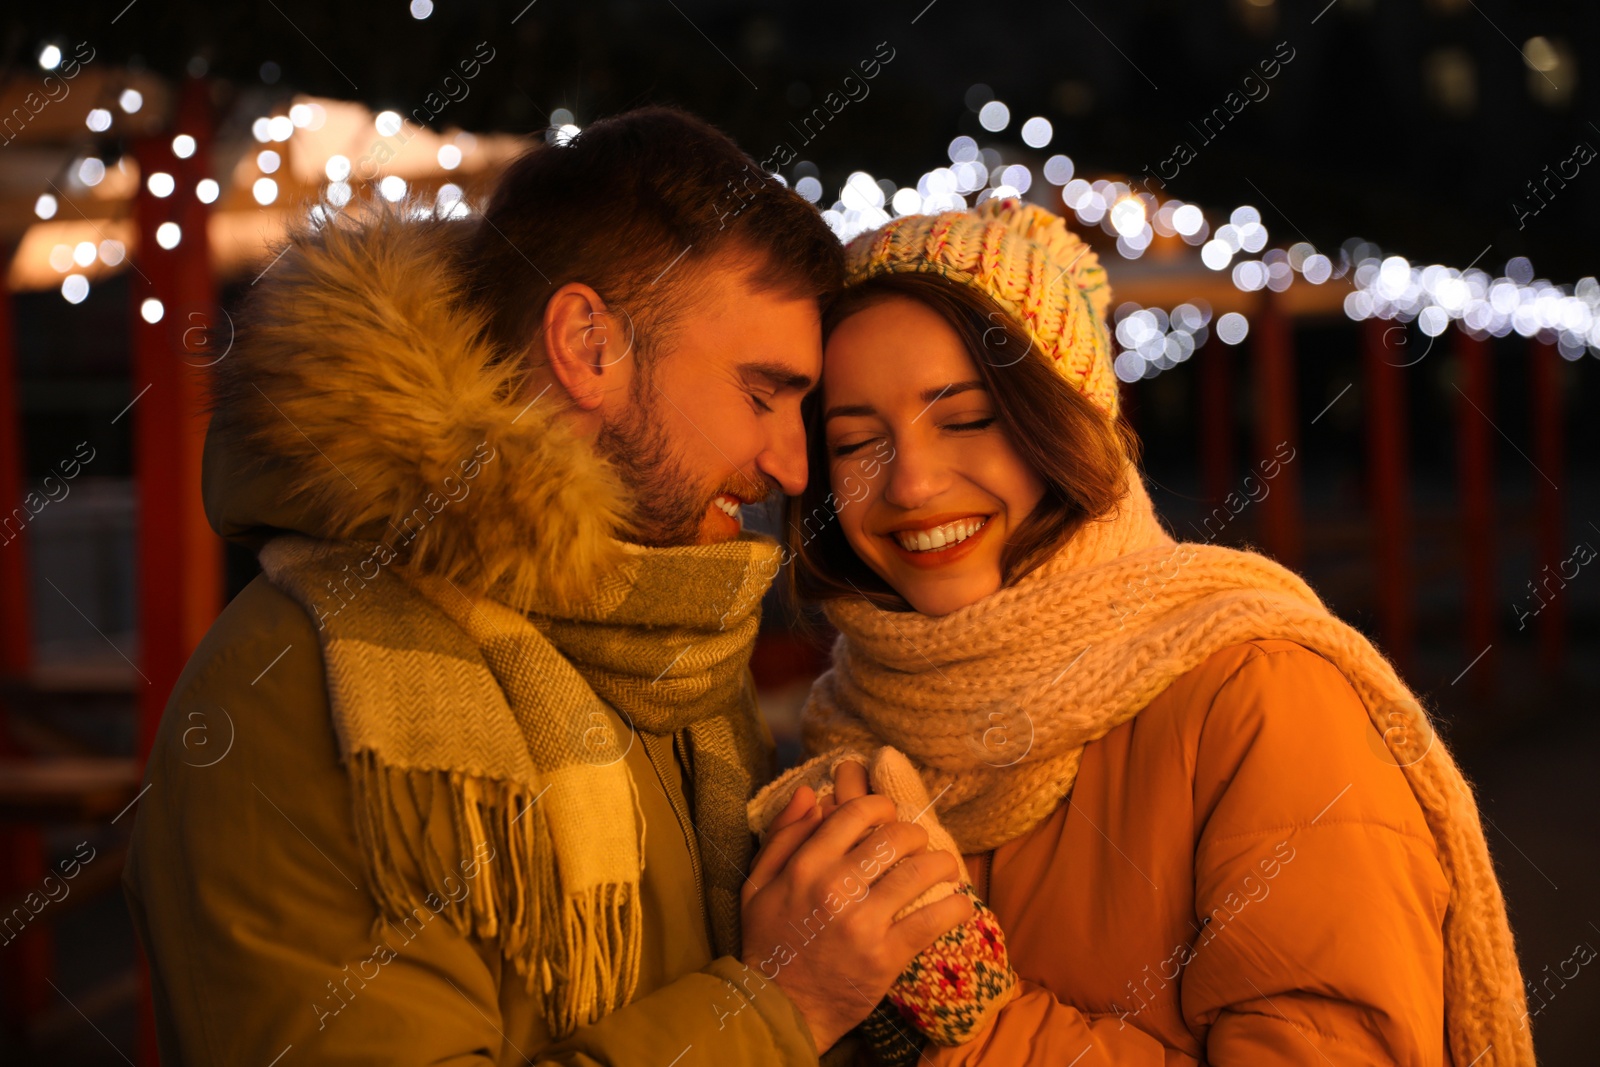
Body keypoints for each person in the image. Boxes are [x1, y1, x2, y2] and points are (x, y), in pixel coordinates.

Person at [122, 106, 970, 1066]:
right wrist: (781, 1010)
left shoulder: (674, 649)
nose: (791, 463)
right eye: (761, 392)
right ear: (587, 345)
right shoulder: (292, 691)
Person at [755, 197, 1536, 1065]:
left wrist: (972, 1026)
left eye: (967, 418)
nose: (910, 483)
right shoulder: (846, 733)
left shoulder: (1260, 697)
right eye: (858, 441)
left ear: (1064, 420)